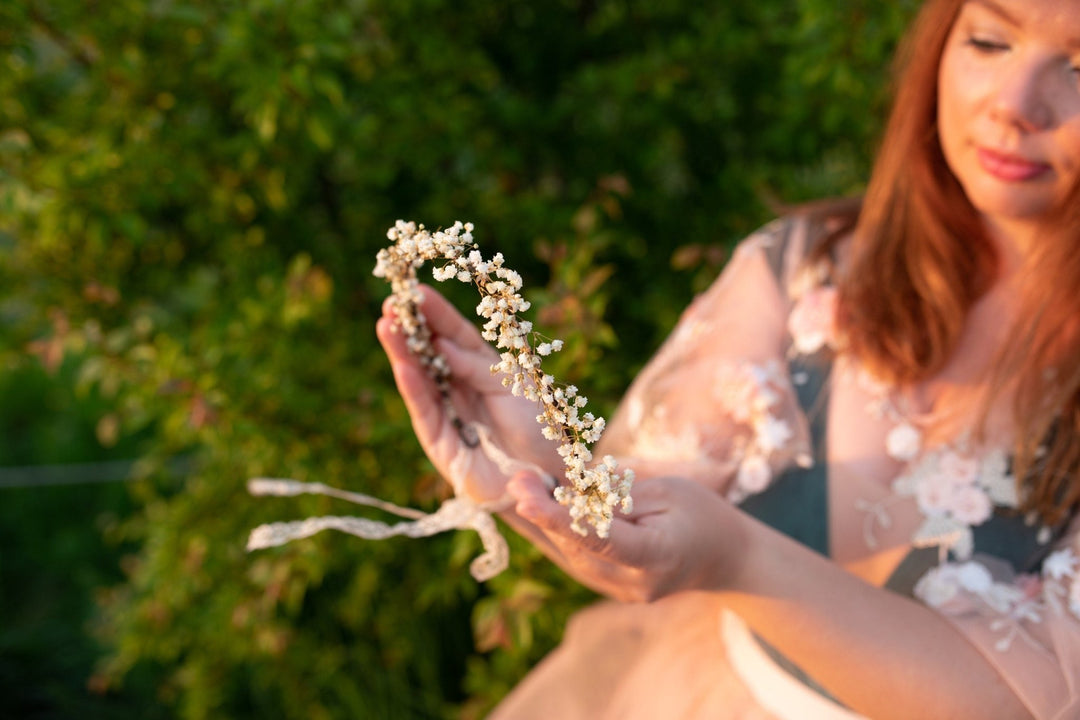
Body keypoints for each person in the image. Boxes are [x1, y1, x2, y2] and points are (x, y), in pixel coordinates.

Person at [376, 0, 1080, 717]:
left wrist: (735, 558)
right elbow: (637, 542)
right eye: (990, 40)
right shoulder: (808, 270)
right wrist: (535, 458)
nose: (1015, 105)